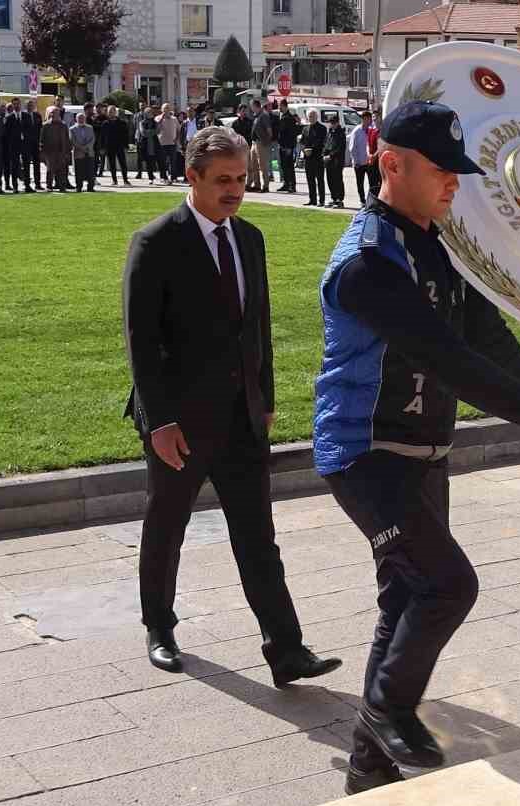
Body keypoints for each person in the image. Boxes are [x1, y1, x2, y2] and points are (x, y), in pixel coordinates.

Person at [313, 100, 520, 788]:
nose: (453, 183)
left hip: (422, 455)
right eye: (441, 170)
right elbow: (447, 358)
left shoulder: (432, 247)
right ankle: (388, 711)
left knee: (406, 598)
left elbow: (485, 335)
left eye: (457, 172)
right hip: (365, 456)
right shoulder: (367, 264)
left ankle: (368, 770)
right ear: (391, 164)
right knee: (447, 586)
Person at [122, 124, 343, 686]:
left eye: (241, 179)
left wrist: (263, 397)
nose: (234, 191)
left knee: (256, 533)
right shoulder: (156, 242)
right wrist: (161, 421)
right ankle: (160, 627)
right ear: (191, 176)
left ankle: (287, 648)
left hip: (242, 417)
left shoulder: (250, 239)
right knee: (166, 524)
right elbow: (142, 343)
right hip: (181, 421)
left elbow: (258, 328)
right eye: (222, 180)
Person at [40, 106, 71, 190]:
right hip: (50, 151)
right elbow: (42, 139)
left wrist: (68, 151)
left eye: (57, 113)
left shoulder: (63, 125)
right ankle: (49, 186)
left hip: (61, 151)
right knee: (50, 170)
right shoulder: (45, 125)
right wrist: (42, 152)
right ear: (51, 114)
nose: (55, 115)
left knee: (62, 169)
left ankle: (62, 186)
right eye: (53, 113)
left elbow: (67, 138)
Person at [301, 109, 326, 207]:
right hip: (308, 158)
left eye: (313, 116)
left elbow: (321, 142)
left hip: (318, 157)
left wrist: (311, 149)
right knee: (310, 179)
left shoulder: (322, 128)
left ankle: (322, 200)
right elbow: (302, 141)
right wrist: (304, 150)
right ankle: (312, 199)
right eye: (310, 116)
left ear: (317, 117)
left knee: (319, 179)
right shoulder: (305, 129)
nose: (311, 118)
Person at [247, 100, 274, 192]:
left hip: (261, 143)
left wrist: (266, 142)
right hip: (254, 142)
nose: (251, 108)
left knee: (262, 165)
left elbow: (269, 130)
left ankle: (265, 186)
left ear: (256, 106)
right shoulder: (256, 116)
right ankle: (257, 184)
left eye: (252, 106)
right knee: (253, 164)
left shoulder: (264, 115)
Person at [102, 105, 131, 186]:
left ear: (116, 112)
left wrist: (126, 146)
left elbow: (126, 135)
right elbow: (103, 137)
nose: (111, 113)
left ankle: (125, 180)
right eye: (110, 112)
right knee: (112, 165)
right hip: (110, 146)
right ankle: (114, 180)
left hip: (120, 146)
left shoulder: (122, 123)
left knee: (123, 164)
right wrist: (103, 147)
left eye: (113, 111)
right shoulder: (105, 123)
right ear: (107, 113)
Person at [275, 99, 300, 194]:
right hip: (282, 145)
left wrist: (290, 147)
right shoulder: (283, 117)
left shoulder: (289, 118)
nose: (279, 108)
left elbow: (291, 134)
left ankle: (292, 185)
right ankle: (286, 184)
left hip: (288, 146)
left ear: (285, 106)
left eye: (280, 106)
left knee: (289, 166)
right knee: (284, 166)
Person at [350, 114, 375, 205]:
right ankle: (362, 200)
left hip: (369, 162)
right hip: (359, 162)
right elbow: (352, 148)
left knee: (372, 182)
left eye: (370, 119)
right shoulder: (357, 131)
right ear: (363, 119)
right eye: (367, 119)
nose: (369, 121)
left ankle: (371, 200)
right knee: (360, 182)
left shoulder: (372, 130)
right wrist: (355, 161)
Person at [68, 110, 95, 192]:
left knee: (90, 171)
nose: (81, 120)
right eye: (79, 118)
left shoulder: (90, 128)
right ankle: (79, 187)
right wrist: (82, 148)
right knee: (79, 171)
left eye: (83, 118)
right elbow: (73, 141)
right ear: (76, 119)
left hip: (89, 152)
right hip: (78, 153)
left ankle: (90, 187)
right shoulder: (72, 129)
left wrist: (87, 147)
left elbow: (93, 139)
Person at [324, 112, 347, 209]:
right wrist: (324, 154)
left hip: (337, 160)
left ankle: (339, 200)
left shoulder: (341, 133)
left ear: (337, 123)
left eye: (333, 123)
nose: (331, 124)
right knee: (330, 179)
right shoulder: (329, 132)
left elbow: (340, 148)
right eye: (330, 123)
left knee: (337, 179)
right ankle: (334, 198)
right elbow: (326, 144)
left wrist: (331, 155)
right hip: (328, 160)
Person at [155, 103, 179, 185]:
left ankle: (173, 177)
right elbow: (156, 130)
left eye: (168, 108)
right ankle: (164, 177)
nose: (166, 110)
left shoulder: (174, 119)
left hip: (172, 143)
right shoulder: (158, 118)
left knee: (173, 161)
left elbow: (178, 130)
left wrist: (177, 139)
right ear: (162, 110)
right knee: (163, 162)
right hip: (162, 143)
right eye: (165, 108)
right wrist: (161, 119)